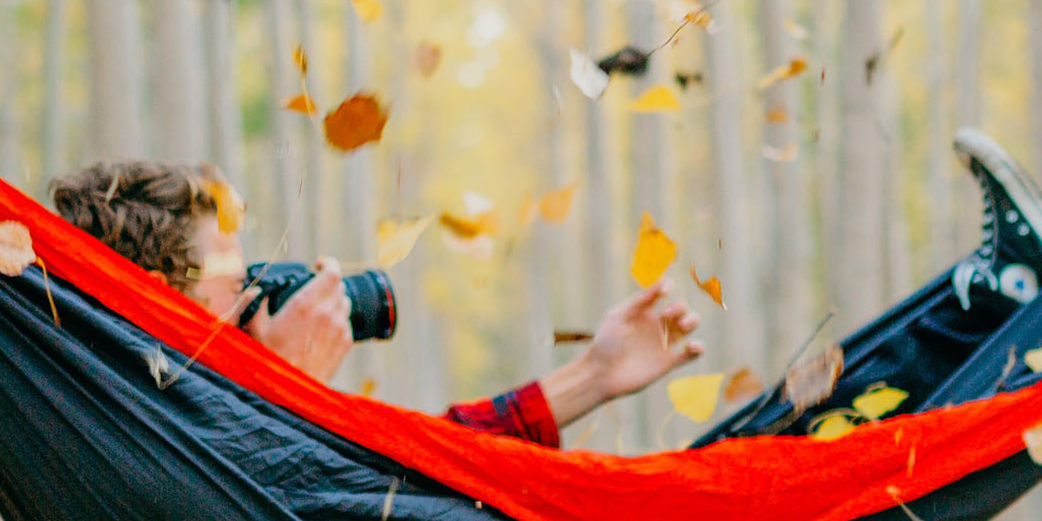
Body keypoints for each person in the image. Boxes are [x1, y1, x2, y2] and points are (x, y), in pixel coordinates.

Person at [48, 160, 704, 445]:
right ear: (162, 298)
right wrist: (294, 387)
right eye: (233, 278)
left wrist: (592, 374)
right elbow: (324, 518)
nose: (254, 292)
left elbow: (416, 476)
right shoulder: (161, 436)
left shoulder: (200, 414)